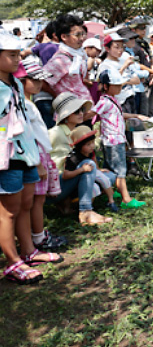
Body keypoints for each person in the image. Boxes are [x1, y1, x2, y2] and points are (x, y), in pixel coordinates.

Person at [1, 35, 63, 285]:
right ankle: (12, 262)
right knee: (7, 211)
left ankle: (29, 251)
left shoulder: (16, 84)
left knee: (25, 203)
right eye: (11, 55)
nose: (17, 59)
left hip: (26, 152)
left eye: (18, 54)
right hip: (7, 155)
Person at [15, 57, 67, 251]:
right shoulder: (24, 105)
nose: (38, 84)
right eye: (33, 80)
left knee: (38, 200)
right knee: (36, 200)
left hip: (39, 155)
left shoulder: (29, 103)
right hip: (34, 156)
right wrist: (38, 163)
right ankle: (38, 237)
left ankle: (36, 234)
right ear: (21, 81)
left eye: (39, 80)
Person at [48, 92, 112, 225]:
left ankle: (68, 206)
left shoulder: (74, 132)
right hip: (55, 184)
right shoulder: (55, 133)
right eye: (76, 111)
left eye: (82, 110)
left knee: (110, 177)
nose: (81, 113)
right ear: (65, 115)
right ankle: (85, 211)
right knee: (89, 165)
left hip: (69, 178)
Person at [89, 69, 147, 209]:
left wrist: (136, 116)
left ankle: (113, 191)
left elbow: (119, 113)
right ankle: (126, 199)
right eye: (116, 85)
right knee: (120, 170)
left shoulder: (112, 100)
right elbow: (92, 113)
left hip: (114, 140)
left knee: (111, 168)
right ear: (105, 86)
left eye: (120, 85)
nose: (119, 87)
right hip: (113, 141)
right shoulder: (104, 101)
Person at [42, 14, 92, 104]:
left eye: (83, 34)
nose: (81, 38)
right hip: (70, 113)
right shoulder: (60, 60)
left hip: (83, 110)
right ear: (64, 37)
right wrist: (59, 97)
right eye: (77, 35)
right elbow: (42, 82)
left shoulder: (78, 56)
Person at [66, 126, 118, 212]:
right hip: (76, 184)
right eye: (88, 144)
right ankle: (83, 208)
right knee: (98, 181)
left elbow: (93, 162)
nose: (92, 146)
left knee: (101, 183)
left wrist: (98, 169)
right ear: (79, 146)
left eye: (93, 142)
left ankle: (109, 201)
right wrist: (81, 169)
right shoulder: (73, 158)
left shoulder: (90, 152)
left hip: (89, 178)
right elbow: (66, 175)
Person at [97, 33, 147, 114]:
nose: (120, 50)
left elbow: (137, 80)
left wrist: (124, 81)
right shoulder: (105, 65)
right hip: (119, 101)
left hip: (130, 97)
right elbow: (107, 86)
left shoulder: (124, 60)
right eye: (117, 47)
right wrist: (124, 68)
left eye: (122, 47)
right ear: (107, 48)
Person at [129, 18, 153, 117]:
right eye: (141, 28)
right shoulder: (133, 45)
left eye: (144, 28)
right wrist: (152, 72)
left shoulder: (145, 43)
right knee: (143, 109)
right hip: (141, 81)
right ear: (134, 30)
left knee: (151, 108)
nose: (144, 30)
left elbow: (151, 59)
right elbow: (136, 65)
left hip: (151, 78)